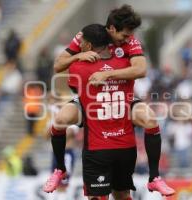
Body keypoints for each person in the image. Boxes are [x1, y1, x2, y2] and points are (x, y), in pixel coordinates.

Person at [50, 5, 174, 196]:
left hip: (121, 95)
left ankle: (155, 177)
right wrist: (80, 55)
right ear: (111, 29)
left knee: (149, 118)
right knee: (60, 120)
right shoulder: (88, 35)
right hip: (91, 99)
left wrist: (108, 75)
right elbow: (58, 64)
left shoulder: (131, 41)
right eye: (124, 35)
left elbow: (141, 70)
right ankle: (59, 170)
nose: (128, 39)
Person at [45, 24, 137, 200]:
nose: (79, 44)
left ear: (88, 46)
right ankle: (60, 169)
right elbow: (139, 69)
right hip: (116, 115)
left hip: (95, 116)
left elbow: (59, 67)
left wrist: (78, 57)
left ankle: (60, 168)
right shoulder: (125, 60)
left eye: (82, 43)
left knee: (59, 122)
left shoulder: (80, 67)